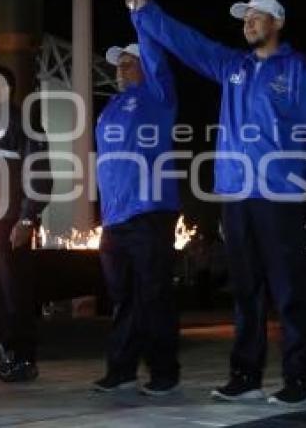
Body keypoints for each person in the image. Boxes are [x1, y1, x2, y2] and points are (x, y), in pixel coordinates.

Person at [126, 0, 306, 405]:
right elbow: (188, 42)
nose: (248, 23)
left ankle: (297, 378)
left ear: (277, 22)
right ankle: (246, 375)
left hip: (279, 194)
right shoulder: (232, 66)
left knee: (290, 289)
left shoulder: (299, 69)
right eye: (245, 18)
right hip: (236, 194)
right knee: (246, 289)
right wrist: (147, 9)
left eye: (257, 16)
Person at [92, 23, 181, 396]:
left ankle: (164, 372)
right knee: (123, 297)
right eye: (119, 65)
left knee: (154, 293)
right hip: (115, 218)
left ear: (147, 67)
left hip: (150, 210)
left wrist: (139, 12)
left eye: (129, 63)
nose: (121, 69)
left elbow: (158, 58)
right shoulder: (111, 106)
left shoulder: (157, 96)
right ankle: (122, 369)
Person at [0, 66, 52, 383]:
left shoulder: (24, 123)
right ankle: (5, 356)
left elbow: (40, 174)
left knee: (14, 292)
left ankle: (24, 360)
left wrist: (27, 217)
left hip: (9, 223)